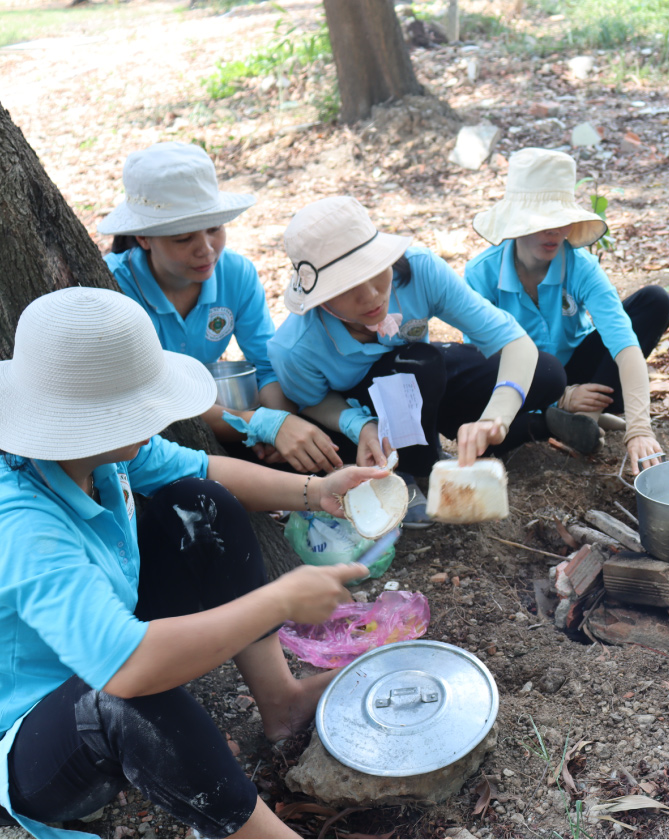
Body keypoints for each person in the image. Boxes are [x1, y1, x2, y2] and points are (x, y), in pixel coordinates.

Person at [0, 288, 387, 838]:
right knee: (120, 698)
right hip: (25, 736)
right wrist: (275, 601)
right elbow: (124, 668)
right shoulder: (20, 520)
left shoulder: (95, 452)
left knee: (202, 504)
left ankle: (281, 701)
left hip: (104, 639)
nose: (153, 415)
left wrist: (318, 490)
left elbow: (208, 470)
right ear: (92, 420)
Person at [267, 196, 566, 514]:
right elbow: (313, 401)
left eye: (375, 270)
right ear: (319, 298)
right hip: (368, 406)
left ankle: (476, 438)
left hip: (423, 381)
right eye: (346, 287)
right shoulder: (295, 347)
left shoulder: (420, 270)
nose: (371, 295)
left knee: (546, 374)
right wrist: (361, 426)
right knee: (416, 366)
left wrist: (495, 418)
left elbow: (513, 341)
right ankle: (410, 469)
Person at [100, 142, 341, 475]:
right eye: (183, 239)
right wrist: (259, 424)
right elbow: (151, 397)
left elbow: (266, 366)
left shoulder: (236, 275)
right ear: (144, 238)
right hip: (143, 441)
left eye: (215, 229)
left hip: (219, 418)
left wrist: (283, 425)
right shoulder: (115, 289)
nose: (206, 250)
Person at [465, 148, 669, 474]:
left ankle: (583, 418)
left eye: (561, 220)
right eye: (543, 222)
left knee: (655, 300)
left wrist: (640, 429)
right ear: (516, 222)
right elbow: (481, 363)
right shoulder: (482, 274)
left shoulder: (580, 267)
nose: (554, 232)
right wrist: (559, 397)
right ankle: (556, 418)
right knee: (483, 411)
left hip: (587, 378)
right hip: (519, 384)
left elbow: (624, 343)